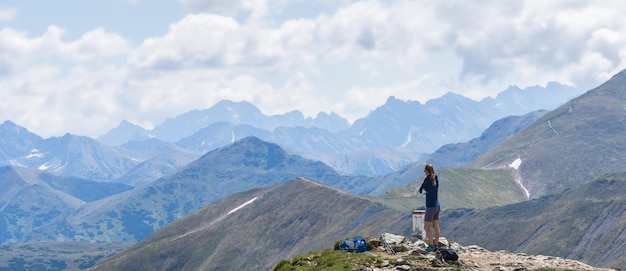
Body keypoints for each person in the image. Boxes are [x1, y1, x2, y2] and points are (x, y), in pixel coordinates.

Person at [417, 164, 440, 252]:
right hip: (437, 206)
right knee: (435, 226)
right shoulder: (436, 178)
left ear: (426, 171)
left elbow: (421, 190)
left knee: (426, 227)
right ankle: (436, 245)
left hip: (430, 206)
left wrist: (425, 192)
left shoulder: (427, 179)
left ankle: (431, 245)